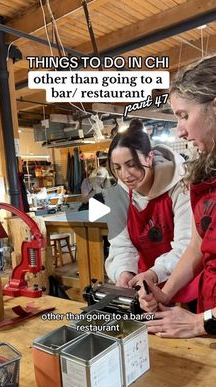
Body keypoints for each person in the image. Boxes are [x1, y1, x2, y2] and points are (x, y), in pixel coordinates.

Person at [138, 54, 216, 338]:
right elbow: (198, 245)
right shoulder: (207, 169)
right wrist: (164, 292)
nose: (179, 130)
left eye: (184, 115)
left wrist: (200, 322)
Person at [105, 119, 192, 291]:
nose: (125, 175)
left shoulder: (181, 186)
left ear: (149, 157)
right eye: (117, 168)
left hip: (184, 279)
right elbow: (121, 246)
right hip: (144, 284)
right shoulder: (119, 196)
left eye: (131, 165)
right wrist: (124, 273)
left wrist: (155, 273)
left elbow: (186, 246)